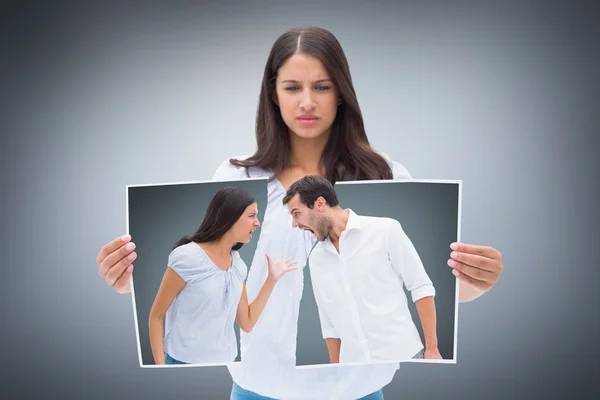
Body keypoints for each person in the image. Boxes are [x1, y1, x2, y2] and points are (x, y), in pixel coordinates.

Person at [97, 26, 504, 399]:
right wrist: (129, 284)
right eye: (292, 87)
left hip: (357, 390)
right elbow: (214, 277)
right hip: (258, 389)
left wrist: (474, 284)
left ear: (341, 92)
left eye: (322, 87)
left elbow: (420, 284)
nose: (307, 102)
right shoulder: (238, 177)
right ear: (273, 92)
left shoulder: (385, 175)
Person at [283, 175, 442, 365]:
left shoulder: (385, 230)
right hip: (355, 371)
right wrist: (336, 372)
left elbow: (421, 287)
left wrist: (432, 349)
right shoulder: (316, 258)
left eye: (296, 213)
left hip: (405, 358)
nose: (294, 224)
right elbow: (328, 323)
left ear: (319, 204)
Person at [148, 187, 297, 365]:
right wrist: (161, 369)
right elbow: (156, 315)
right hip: (182, 363)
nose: (257, 223)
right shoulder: (187, 257)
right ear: (230, 216)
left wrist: (272, 279)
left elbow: (247, 323)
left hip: (226, 364)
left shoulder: (237, 265)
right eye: (251, 215)